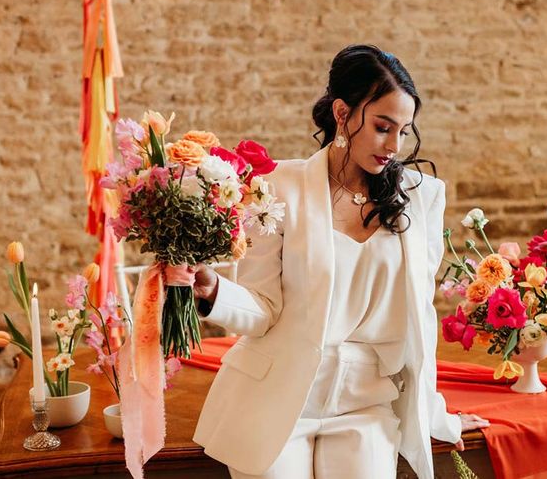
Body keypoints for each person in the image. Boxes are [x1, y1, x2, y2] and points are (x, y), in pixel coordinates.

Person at [192, 44, 489, 479]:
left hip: (366, 403)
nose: (394, 145)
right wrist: (213, 290)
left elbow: (419, 321)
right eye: (383, 127)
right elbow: (262, 307)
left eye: (403, 131)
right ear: (342, 113)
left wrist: (434, 415)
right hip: (280, 397)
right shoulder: (278, 187)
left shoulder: (422, 197)